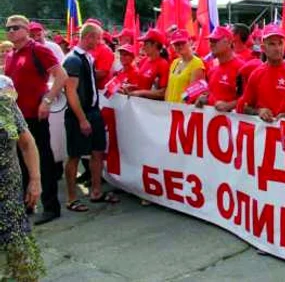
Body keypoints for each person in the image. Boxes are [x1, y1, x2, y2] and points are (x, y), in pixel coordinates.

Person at [4, 15, 67, 225]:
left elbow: (62, 76)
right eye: (8, 28)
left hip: (34, 115)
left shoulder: (38, 49)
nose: (10, 31)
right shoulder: (11, 54)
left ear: (26, 29)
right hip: (16, 117)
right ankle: (27, 203)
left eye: (15, 28)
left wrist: (47, 101)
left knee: (44, 161)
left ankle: (51, 207)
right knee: (21, 163)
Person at [63, 23, 119, 213]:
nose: (100, 42)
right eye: (98, 38)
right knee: (75, 155)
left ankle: (95, 191)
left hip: (93, 111)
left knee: (97, 151)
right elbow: (71, 92)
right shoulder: (73, 60)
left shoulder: (87, 57)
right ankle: (71, 199)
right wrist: (81, 119)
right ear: (89, 37)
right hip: (81, 114)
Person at [0, 75, 45, 281]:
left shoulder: (4, 102)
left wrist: (35, 180)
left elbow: (27, 144)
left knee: (21, 260)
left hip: (9, 200)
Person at [238, 25, 285, 122]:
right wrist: (259, 111)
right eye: (272, 44)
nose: (277, 48)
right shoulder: (256, 74)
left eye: (280, 43)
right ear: (263, 48)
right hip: (264, 133)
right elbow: (245, 107)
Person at [195, 26, 243, 112]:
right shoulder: (212, 68)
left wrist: (229, 105)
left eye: (215, 41)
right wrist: (205, 99)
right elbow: (213, 94)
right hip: (213, 122)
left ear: (228, 43)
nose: (211, 44)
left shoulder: (241, 68)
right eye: (210, 41)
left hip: (231, 123)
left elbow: (249, 99)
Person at [124, 29, 170, 100]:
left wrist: (141, 93)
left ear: (155, 45)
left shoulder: (163, 64)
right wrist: (133, 87)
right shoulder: (144, 60)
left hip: (152, 107)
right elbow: (144, 85)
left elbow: (162, 93)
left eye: (146, 44)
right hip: (141, 104)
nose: (143, 47)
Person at [164, 29, 205, 103]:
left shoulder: (197, 63)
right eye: (176, 44)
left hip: (183, 111)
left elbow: (192, 94)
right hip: (170, 109)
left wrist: (178, 105)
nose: (179, 46)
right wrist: (166, 105)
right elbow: (168, 88)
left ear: (190, 42)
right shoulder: (174, 62)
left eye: (183, 43)